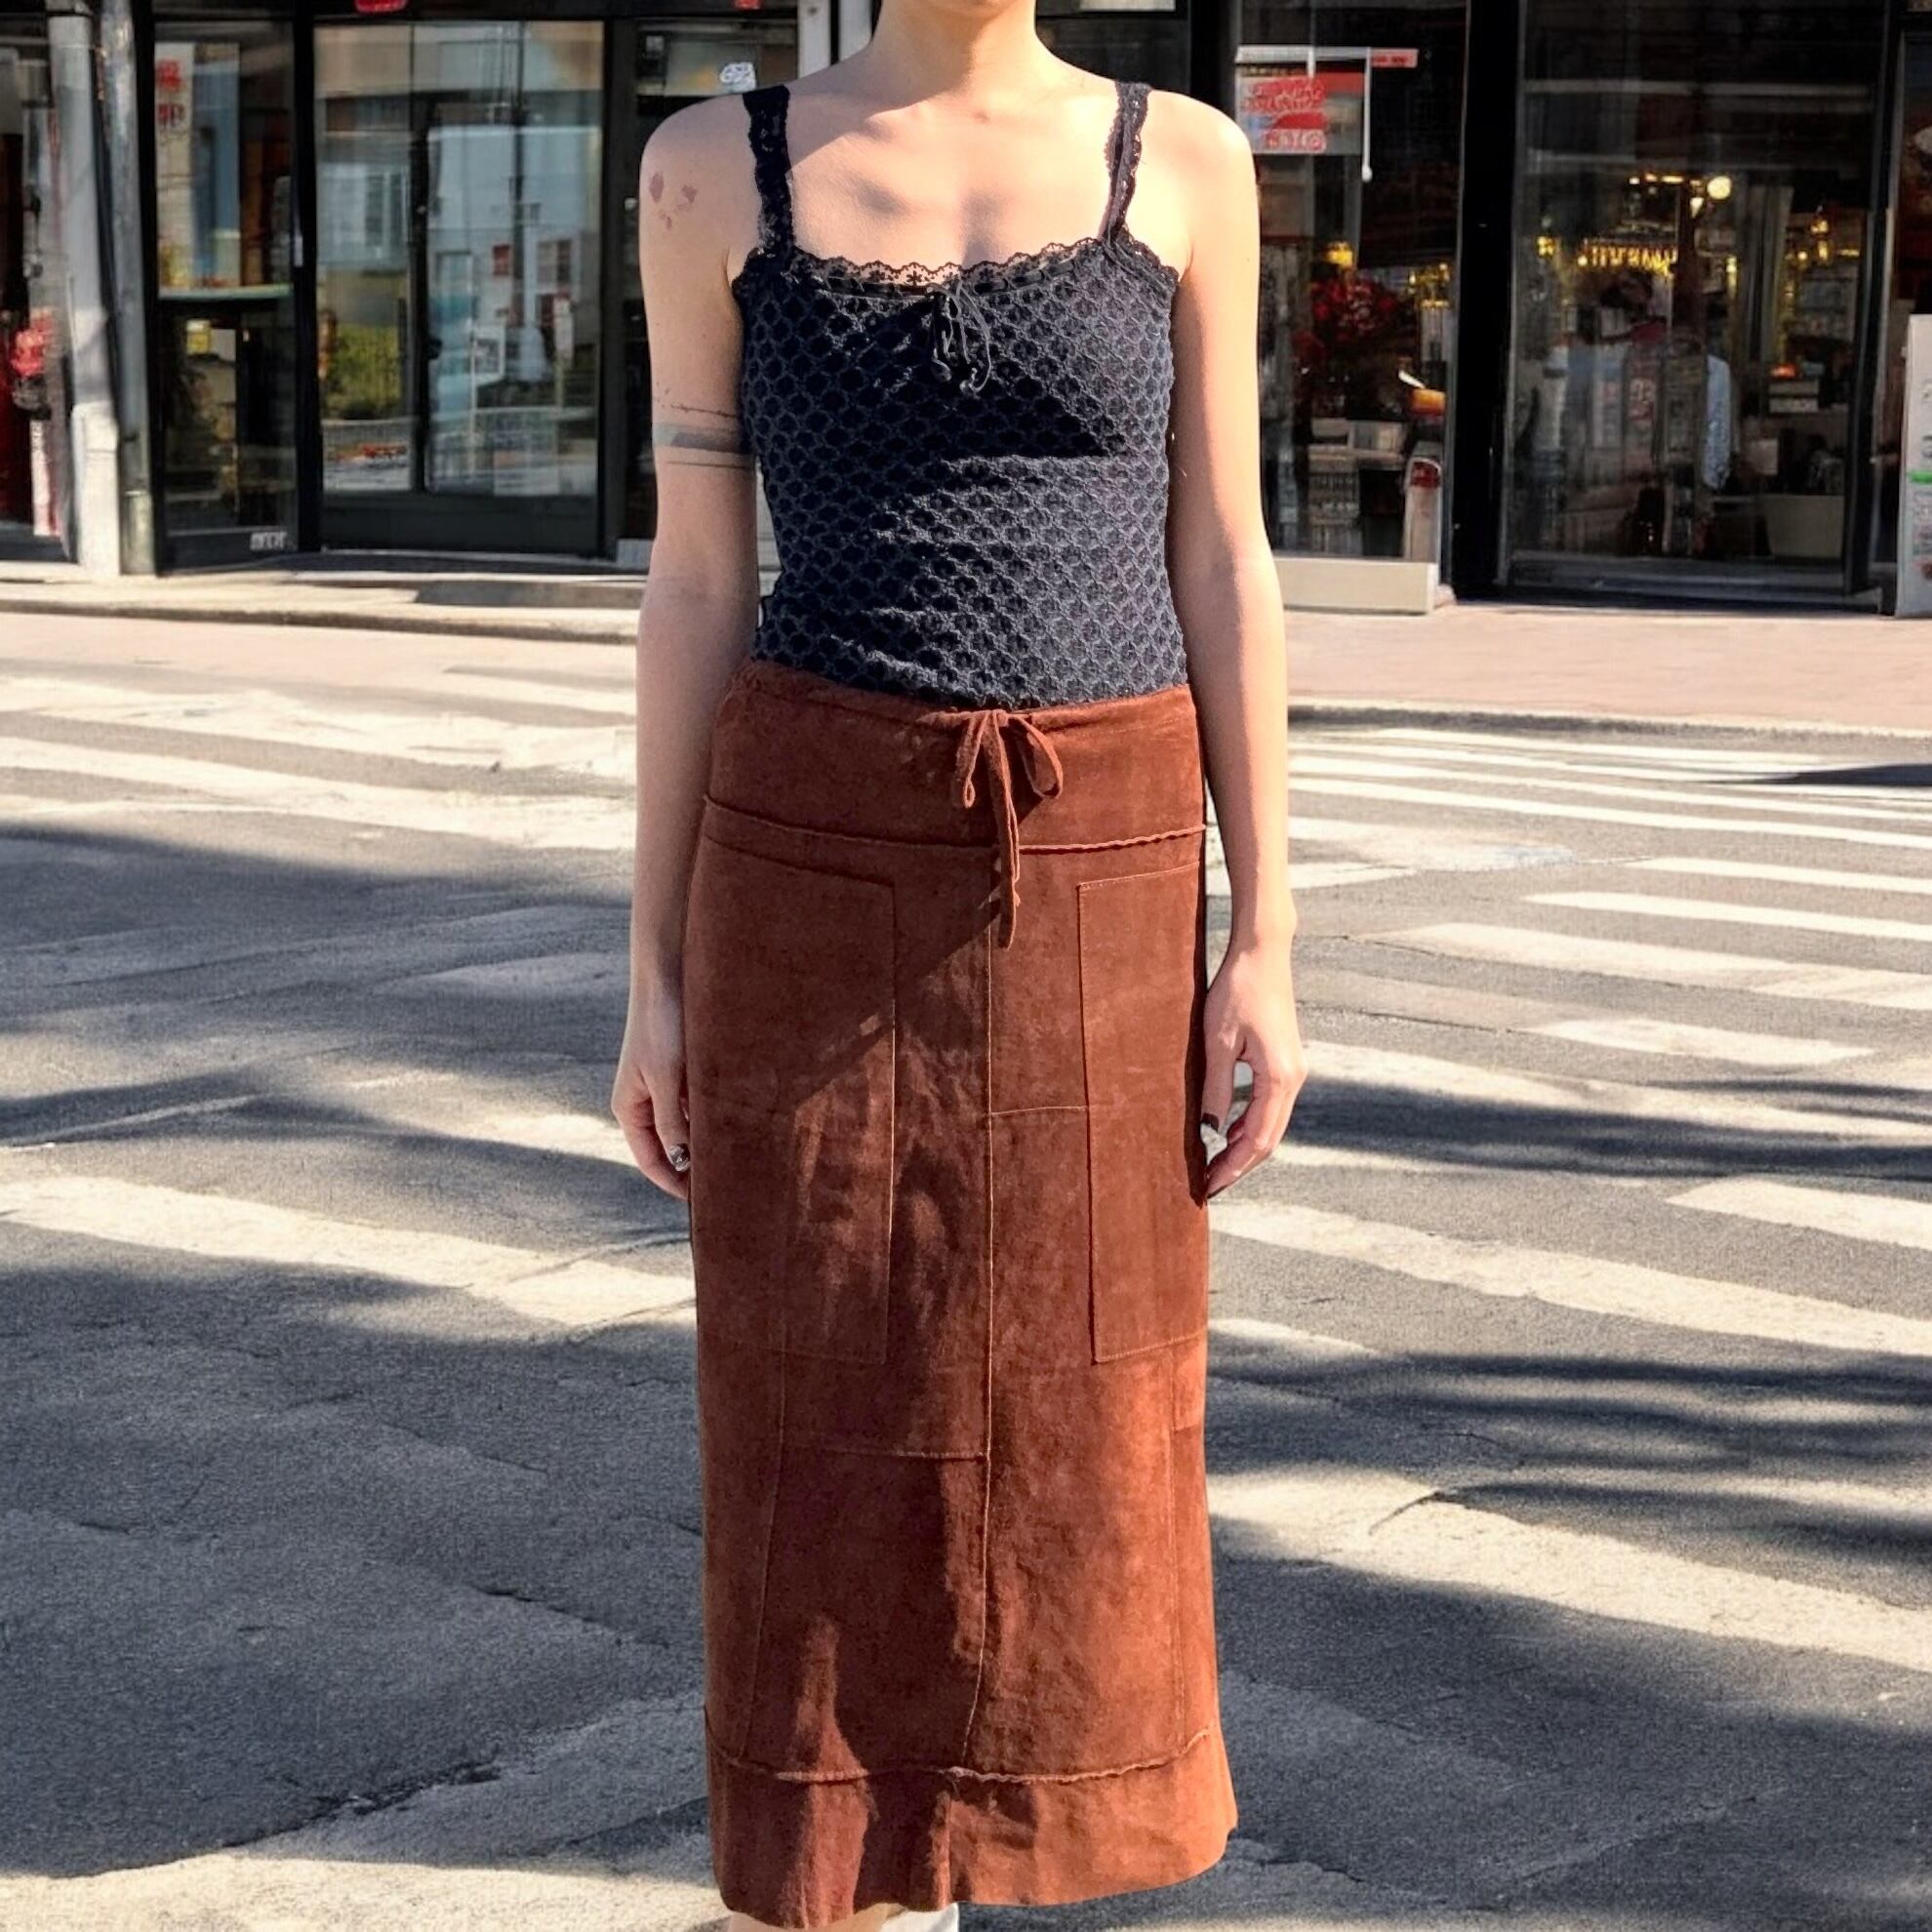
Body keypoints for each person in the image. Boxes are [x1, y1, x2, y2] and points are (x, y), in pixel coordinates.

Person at [612, 7, 1305, 1926]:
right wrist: (651, 971)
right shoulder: (709, 168)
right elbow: (696, 577)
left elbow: (1224, 554)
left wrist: (1268, 935)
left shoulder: (1186, 160)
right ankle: (836, 1862)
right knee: (812, 1391)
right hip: (805, 850)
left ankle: (1038, 1831)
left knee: (1093, 1393)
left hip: (1105, 852)